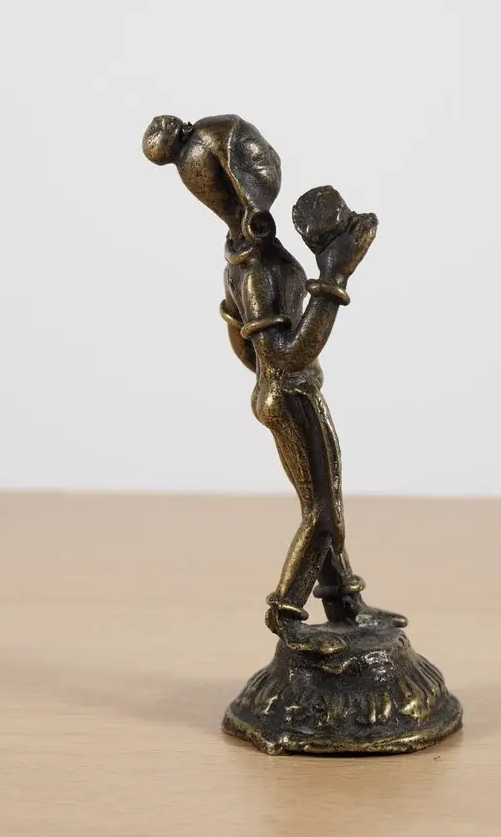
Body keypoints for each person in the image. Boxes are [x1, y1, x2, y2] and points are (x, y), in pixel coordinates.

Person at [143, 113, 387, 637]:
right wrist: (334, 278)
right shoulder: (259, 269)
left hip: (285, 392)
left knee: (325, 499)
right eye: (259, 158)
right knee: (323, 514)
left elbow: (244, 344)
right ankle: (287, 612)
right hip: (290, 392)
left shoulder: (242, 257)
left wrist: (266, 374)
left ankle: (344, 603)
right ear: (246, 181)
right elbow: (286, 355)